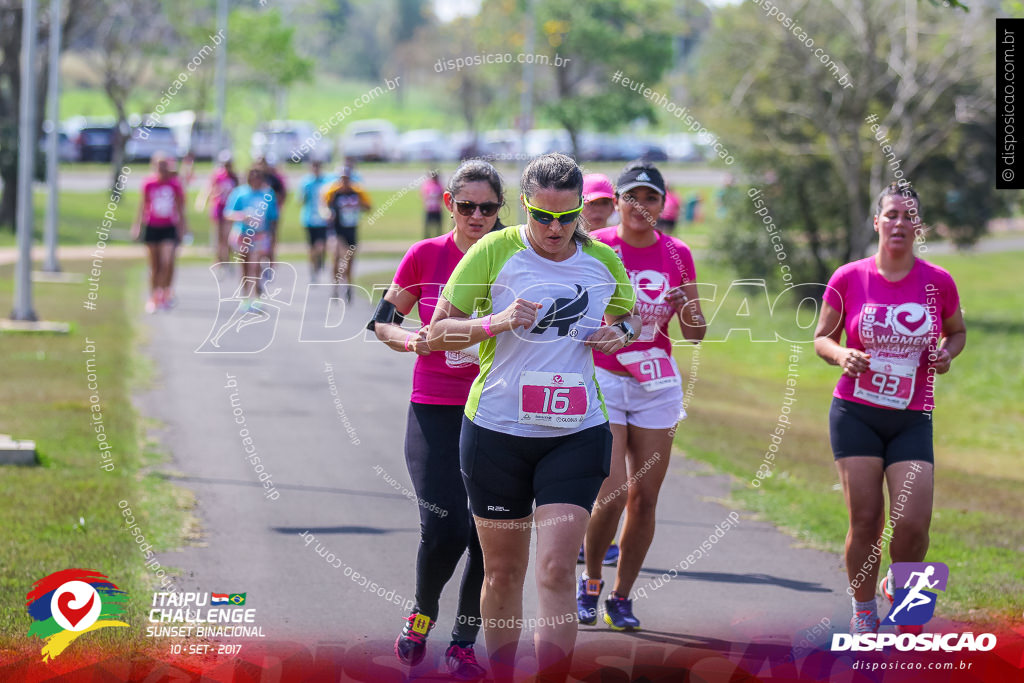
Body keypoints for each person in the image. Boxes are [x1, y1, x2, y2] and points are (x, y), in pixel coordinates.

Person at [427, 153, 641, 682]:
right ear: (524, 207)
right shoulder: (495, 249)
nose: (554, 228)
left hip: (576, 432)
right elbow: (435, 332)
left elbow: (631, 314)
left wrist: (623, 333)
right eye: (541, 216)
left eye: (566, 217)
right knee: (503, 572)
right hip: (497, 431)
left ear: (581, 214)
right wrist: (494, 322)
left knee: (554, 569)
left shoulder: (601, 260)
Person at [369, 160, 507, 681]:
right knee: (445, 523)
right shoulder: (426, 255)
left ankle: (463, 643)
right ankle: (423, 612)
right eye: (466, 205)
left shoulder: (516, 257)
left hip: (496, 411)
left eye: (487, 207)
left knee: (486, 536)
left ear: (500, 209)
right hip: (434, 406)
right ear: (449, 205)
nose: (476, 215)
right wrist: (413, 340)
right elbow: (383, 323)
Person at [812, 182, 966, 634]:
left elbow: (956, 332)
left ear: (919, 227)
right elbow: (823, 337)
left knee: (914, 525)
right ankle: (864, 612)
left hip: (912, 417)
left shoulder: (938, 282)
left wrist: (946, 353)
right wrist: (842, 356)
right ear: (877, 221)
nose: (900, 223)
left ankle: (907, 604)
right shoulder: (849, 277)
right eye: (892, 214)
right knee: (866, 520)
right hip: (856, 413)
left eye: (909, 216)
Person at [579, 161, 707, 631]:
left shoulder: (677, 253)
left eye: (650, 198)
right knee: (610, 492)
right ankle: (590, 580)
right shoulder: (595, 247)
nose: (640, 207)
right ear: (617, 201)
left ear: (661, 204)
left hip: (655, 383)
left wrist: (684, 305)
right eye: (631, 197)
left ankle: (622, 596)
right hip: (605, 378)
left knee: (644, 498)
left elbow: (695, 332)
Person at [132, 152, 187, 313]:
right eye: (159, 165)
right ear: (154, 166)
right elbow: (142, 206)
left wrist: (183, 228)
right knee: (154, 265)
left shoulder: (175, 184)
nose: (162, 168)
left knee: (168, 261)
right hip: (152, 226)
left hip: (169, 227)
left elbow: (180, 208)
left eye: (164, 165)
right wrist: (137, 226)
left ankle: (166, 291)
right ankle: (154, 296)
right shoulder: (148, 183)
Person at [223, 168, 279, 309]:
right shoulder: (240, 193)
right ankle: (245, 296)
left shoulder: (268, 194)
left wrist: (273, 238)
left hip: (260, 235)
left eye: (258, 177)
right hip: (243, 234)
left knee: (257, 266)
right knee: (245, 266)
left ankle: (257, 296)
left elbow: (273, 218)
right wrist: (243, 216)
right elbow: (228, 213)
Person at [323, 169, 372, 301]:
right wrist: (328, 213)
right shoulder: (333, 192)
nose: (344, 181)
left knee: (349, 260)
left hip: (351, 230)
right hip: (337, 231)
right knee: (336, 256)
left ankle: (348, 285)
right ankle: (335, 286)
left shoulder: (357, 192)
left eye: (346, 178)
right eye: (342, 178)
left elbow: (368, 207)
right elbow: (324, 206)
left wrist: (359, 205)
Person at [195, 150, 239, 264]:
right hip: (218, 207)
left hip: (230, 209)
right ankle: (219, 259)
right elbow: (209, 188)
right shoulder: (218, 176)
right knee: (218, 236)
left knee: (228, 236)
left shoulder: (235, 177)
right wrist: (202, 201)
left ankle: (227, 258)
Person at [299, 160, 331, 283]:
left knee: (322, 245)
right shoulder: (306, 182)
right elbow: (300, 200)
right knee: (311, 246)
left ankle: (320, 260)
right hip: (309, 218)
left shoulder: (327, 181)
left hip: (323, 218)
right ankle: (313, 268)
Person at [256, 155, 287, 262]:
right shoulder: (255, 177)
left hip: (271, 213)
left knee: (271, 238)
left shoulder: (273, 178)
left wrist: (277, 205)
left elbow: (282, 193)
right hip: (257, 214)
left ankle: (270, 260)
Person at [421, 170, 445, 238]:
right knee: (427, 228)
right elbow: (424, 196)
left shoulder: (439, 185)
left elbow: (442, 196)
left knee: (438, 228)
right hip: (429, 209)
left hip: (437, 209)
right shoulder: (427, 185)